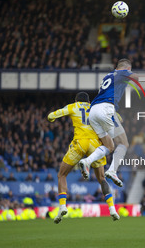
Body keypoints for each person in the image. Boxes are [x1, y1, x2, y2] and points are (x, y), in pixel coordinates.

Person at [79, 59, 145, 186]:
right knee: (124, 143)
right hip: (106, 109)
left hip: (93, 111)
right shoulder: (123, 73)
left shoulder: (108, 75)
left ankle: (87, 161)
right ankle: (112, 171)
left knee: (110, 146)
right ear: (128, 68)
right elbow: (138, 78)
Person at [47, 92, 119, 224]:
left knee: (62, 175)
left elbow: (52, 115)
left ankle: (62, 206)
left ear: (76, 100)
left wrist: (51, 118)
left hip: (79, 143)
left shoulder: (73, 106)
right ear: (88, 101)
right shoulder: (95, 108)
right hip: (95, 145)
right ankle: (112, 209)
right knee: (102, 178)